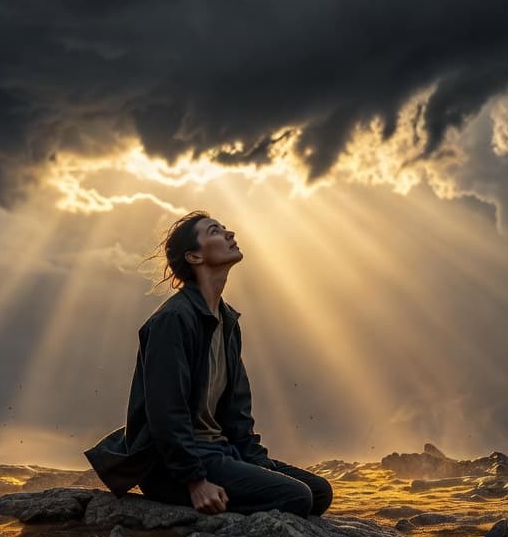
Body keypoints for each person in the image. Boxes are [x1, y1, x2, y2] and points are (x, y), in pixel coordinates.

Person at [84, 210, 332, 518]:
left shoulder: (227, 320)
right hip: (173, 467)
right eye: (215, 231)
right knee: (296, 498)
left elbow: (237, 411)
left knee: (319, 493)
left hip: (221, 452)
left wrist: (256, 463)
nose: (229, 234)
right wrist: (196, 481)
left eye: (226, 228)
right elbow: (165, 411)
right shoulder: (172, 320)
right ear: (194, 257)